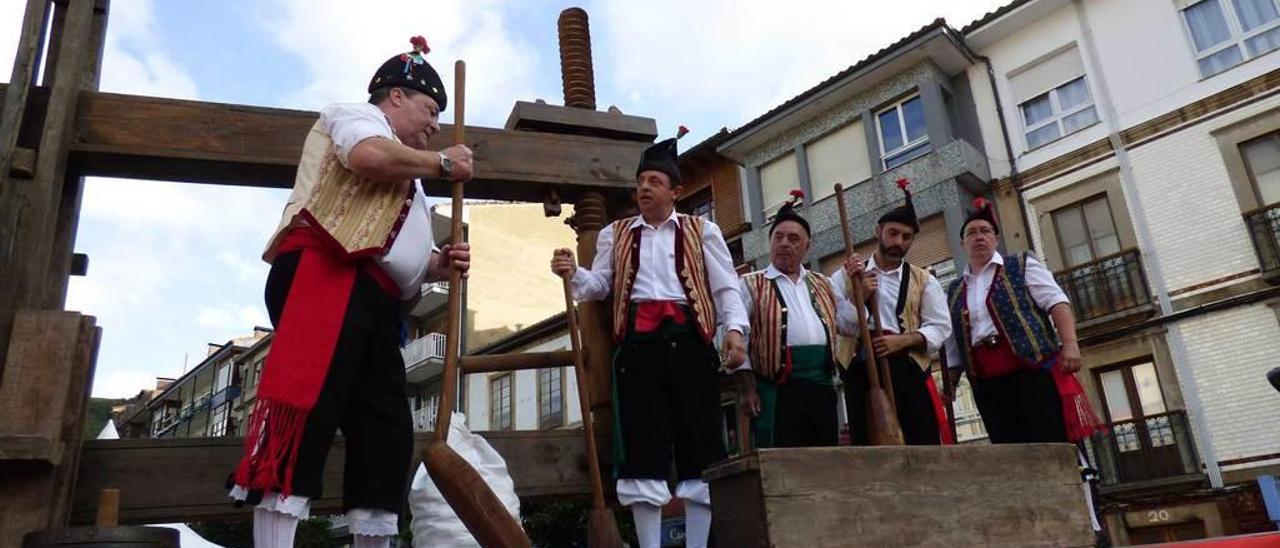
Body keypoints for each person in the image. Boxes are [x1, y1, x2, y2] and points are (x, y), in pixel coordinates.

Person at [228, 36, 472, 548]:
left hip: (377, 301)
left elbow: (391, 247)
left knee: (386, 430)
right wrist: (444, 164)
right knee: (306, 413)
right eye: (430, 110)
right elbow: (366, 158)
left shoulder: (411, 170)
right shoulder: (356, 118)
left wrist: (436, 265)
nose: (434, 125)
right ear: (396, 96)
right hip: (328, 272)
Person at [549, 127, 748, 548]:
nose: (644, 189)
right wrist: (574, 273)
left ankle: (698, 545)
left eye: (654, 182)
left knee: (702, 445)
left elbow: (725, 286)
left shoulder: (702, 231)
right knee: (642, 450)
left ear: (675, 191)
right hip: (637, 349)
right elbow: (599, 285)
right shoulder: (614, 234)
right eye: (640, 183)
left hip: (691, 345)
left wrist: (734, 331)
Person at [942, 197, 1106, 535]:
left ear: (996, 238)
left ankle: (1083, 526)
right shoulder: (955, 289)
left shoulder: (1020, 264)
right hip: (988, 385)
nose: (979, 236)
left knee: (1053, 449)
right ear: (962, 243)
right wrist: (950, 385)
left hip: (1033, 374)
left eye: (985, 230)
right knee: (1010, 455)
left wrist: (1070, 344)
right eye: (971, 232)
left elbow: (1056, 301)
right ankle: (1032, 529)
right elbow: (954, 342)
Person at [831, 179, 953, 445]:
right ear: (878, 231)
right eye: (893, 233)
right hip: (862, 370)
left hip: (907, 370)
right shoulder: (846, 276)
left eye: (906, 237)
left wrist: (903, 340)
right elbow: (839, 325)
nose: (899, 241)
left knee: (921, 444)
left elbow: (941, 326)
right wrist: (860, 296)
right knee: (870, 447)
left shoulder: (924, 280)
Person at [738, 191, 856, 448]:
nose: (784, 243)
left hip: (821, 388)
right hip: (777, 390)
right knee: (782, 460)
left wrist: (860, 290)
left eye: (793, 239)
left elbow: (850, 325)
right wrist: (747, 387)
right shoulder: (750, 284)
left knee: (822, 458)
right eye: (778, 237)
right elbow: (738, 339)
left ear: (806, 246)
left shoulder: (823, 283)